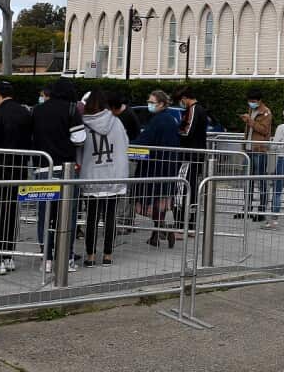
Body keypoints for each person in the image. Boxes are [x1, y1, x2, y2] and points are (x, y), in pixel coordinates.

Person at [0, 81, 33, 275]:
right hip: (19, 168)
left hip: (0, 169)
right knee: (12, 213)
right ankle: (9, 256)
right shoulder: (25, 113)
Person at [30, 77, 82, 272]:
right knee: (67, 214)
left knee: (45, 214)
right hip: (66, 169)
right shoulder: (71, 109)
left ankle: (47, 258)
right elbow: (79, 138)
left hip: (43, 168)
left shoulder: (37, 109)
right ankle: (66, 257)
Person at [79, 91, 129, 267]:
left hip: (91, 176)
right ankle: (108, 254)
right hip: (113, 176)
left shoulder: (83, 124)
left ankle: (90, 256)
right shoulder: (116, 122)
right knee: (110, 217)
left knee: (91, 218)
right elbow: (124, 146)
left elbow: (79, 150)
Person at [136, 89, 181, 247]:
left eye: (151, 102)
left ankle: (162, 230)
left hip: (155, 166)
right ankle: (156, 234)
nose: (149, 105)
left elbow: (146, 140)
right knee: (160, 202)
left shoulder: (158, 120)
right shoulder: (170, 119)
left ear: (161, 104)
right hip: (168, 165)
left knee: (146, 204)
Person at [174, 88, 208, 233]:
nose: (180, 103)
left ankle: (181, 222)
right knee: (192, 188)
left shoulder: (194, 109)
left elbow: (188, 131)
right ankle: (191, 223)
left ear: (185, 98)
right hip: (196, 155)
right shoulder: (199, 109)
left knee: (183, 186)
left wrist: (176, 134)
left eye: (181, 100)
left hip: (189, 156)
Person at [239, 90, 272, 222]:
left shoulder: (266, 113)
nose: (251, 104)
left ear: (259, 101)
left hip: (259, 150)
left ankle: (262, 209)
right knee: (248, 179)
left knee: (261, 179)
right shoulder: (251, 110)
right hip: (249, 149)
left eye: (253, 102)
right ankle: (246, 207)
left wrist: (250, 121)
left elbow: (264, 130)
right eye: (249, 101)